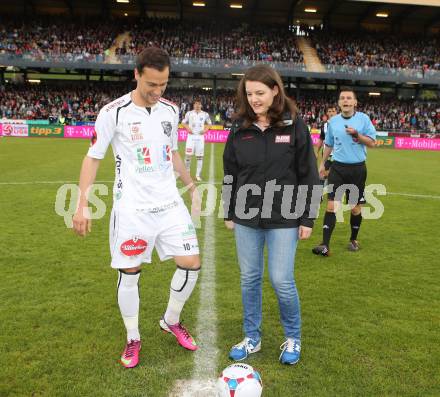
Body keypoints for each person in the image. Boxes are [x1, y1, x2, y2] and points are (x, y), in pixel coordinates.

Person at [72, 47, 201, 369]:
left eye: (164, 84)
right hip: (132, 209)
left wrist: (191, 186)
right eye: (152, 84)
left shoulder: (171, 110)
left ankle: (171, 320)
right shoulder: (113, 112)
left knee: (191, 263)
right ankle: (133, 337)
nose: (158, 91)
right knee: (130, 273)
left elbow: (172, 153)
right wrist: (81, 205)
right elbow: (93, 157)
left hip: (169, 203)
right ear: (137, 75)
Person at [222, 65, 320, 365]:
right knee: (249, 279)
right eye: (249, 93)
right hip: (246, 218)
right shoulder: (239, 127)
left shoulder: (294, 126)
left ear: (275, 90)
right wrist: (229, 211)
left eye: (260, 93)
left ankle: (293, 338)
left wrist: (307, 218)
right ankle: (252, 337)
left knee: (281, 280)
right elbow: (231, 172)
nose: (254, 99)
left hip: (284, 217)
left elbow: (309, 174)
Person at [312, 90, 376, 256]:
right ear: (339, 103)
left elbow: (372, 143)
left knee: (355, 208)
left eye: (349, 98)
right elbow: (329, 144)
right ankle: (325, 245)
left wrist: (357, 135)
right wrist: (322, 164)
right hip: (338, 169)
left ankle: (353, 240)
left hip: (357, 169)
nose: (345, 100)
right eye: (342, 98)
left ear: (355, 102)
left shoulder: (363, 119)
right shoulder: (333, 122)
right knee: (332, 205)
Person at [182, 99, 212, 181]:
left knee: (200, 157)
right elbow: (183, 122)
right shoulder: (189, 113)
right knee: (188, 156)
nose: (197, 105)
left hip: (200, 138)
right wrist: (188, 128)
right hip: (191, 137)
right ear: (193, 105)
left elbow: (210, 124)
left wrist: (205, 130)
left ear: (201, 105)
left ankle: (198, 175)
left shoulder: (205, 114)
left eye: (199, 104)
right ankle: (187, 174)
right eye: (196, 104)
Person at [316, 106, 338, 186]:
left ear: (336, 112)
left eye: (333, 111)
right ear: (327, 113)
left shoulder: (342, 124)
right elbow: (321, 139)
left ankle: (334, 194)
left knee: (336, 176)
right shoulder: (324, 125)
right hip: (326, 155)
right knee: (321, 174)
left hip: (338, 156)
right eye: (329, 111)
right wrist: (317, 152)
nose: (331, 113)